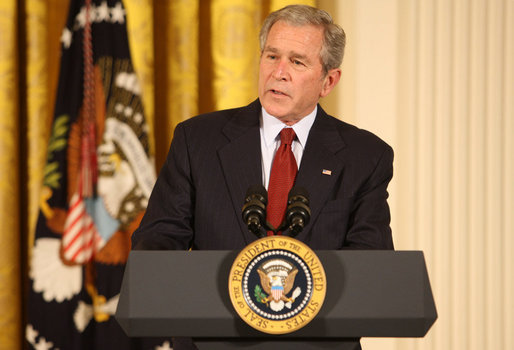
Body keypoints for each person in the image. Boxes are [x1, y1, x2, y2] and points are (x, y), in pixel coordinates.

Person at [132, 4, 394, 349]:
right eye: (272, 56)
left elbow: (369, 264)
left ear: (328, 81)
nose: (278, 72)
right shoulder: (198, 141)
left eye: (297, 61)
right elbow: (158, 242)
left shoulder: (364, 156)